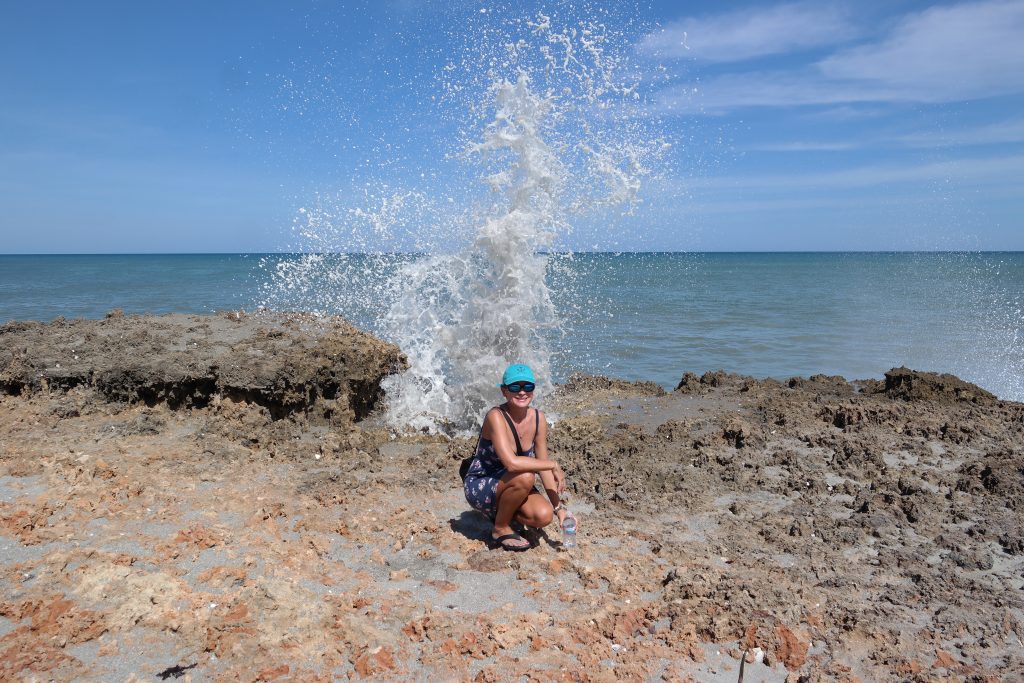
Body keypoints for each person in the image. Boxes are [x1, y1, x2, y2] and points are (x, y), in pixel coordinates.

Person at [463, 363, 571, 551]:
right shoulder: (496, 416)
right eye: (515, 387)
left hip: (513, 483)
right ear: (504, 391)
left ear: (533, 391)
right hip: (482, 482)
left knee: (543, 516)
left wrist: (559, 508)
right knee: (526, 476)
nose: (522, 392)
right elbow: (512, 464)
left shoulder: (539, 419)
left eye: (527, 387)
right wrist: (552, 464)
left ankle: (502, 512)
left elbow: (543, 467)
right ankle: (500, 528)